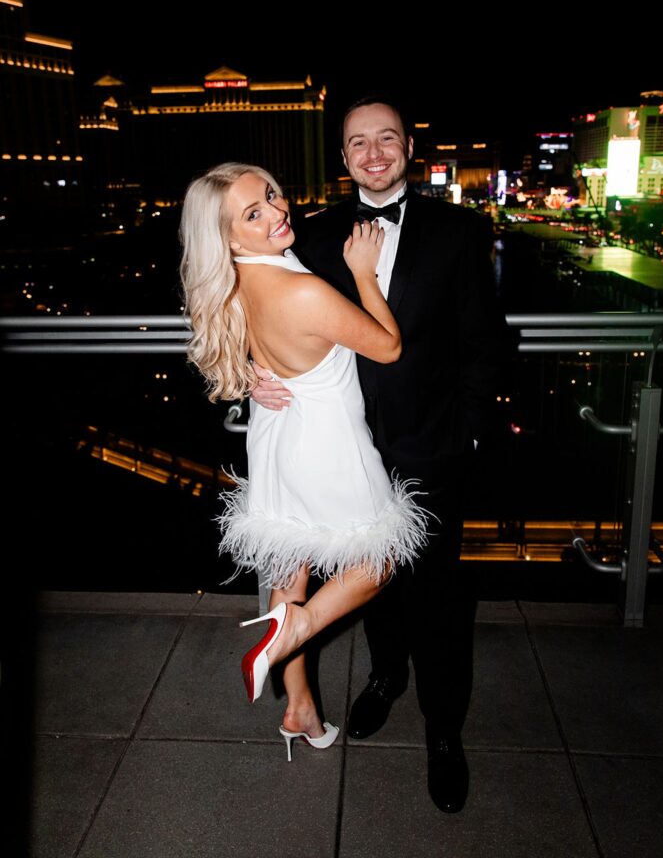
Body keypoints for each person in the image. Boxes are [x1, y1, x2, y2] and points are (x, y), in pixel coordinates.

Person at [252, 97, 506, 811]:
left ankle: (444, 731)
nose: (372, 153)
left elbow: (486, 345)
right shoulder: (309, 233)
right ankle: (385, 677)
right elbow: (262, 309)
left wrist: (468, 432)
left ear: (406, 148)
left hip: (432, 448)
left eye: (385, 139)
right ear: (341, 157)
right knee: (368, 582)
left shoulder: (459, 231)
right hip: (345, 449)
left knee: (438, 595)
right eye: (357, 142)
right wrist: (251, 368)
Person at [179, 162, 429, 762]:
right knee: (380, 560)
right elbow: (388, 347)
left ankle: (299, 708)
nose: (277, 211)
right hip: (326, 441)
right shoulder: (305, 291)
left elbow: (244, 346)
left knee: (288, 570)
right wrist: (365, 274)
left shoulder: (237, 280)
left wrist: (251, 376)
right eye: (254, 213)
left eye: (271, 194)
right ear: (231, 238)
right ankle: (298, 626)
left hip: (275, 434)